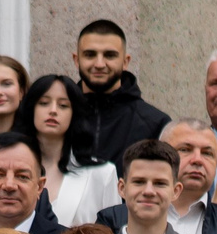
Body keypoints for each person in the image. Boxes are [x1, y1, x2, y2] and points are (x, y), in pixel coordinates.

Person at [18, 74, 122, 228]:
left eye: (63, 105)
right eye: (44, 103)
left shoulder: (102, 173)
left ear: (75, 113)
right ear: (31, 109)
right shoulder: (10, 167)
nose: (53, 111)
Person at [64, 19, 169, 168]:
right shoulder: (56, 115)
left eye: (110, 55)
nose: (99, 64)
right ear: (76, 60)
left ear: (125, 61)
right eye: (90, 54)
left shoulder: (154, 124)